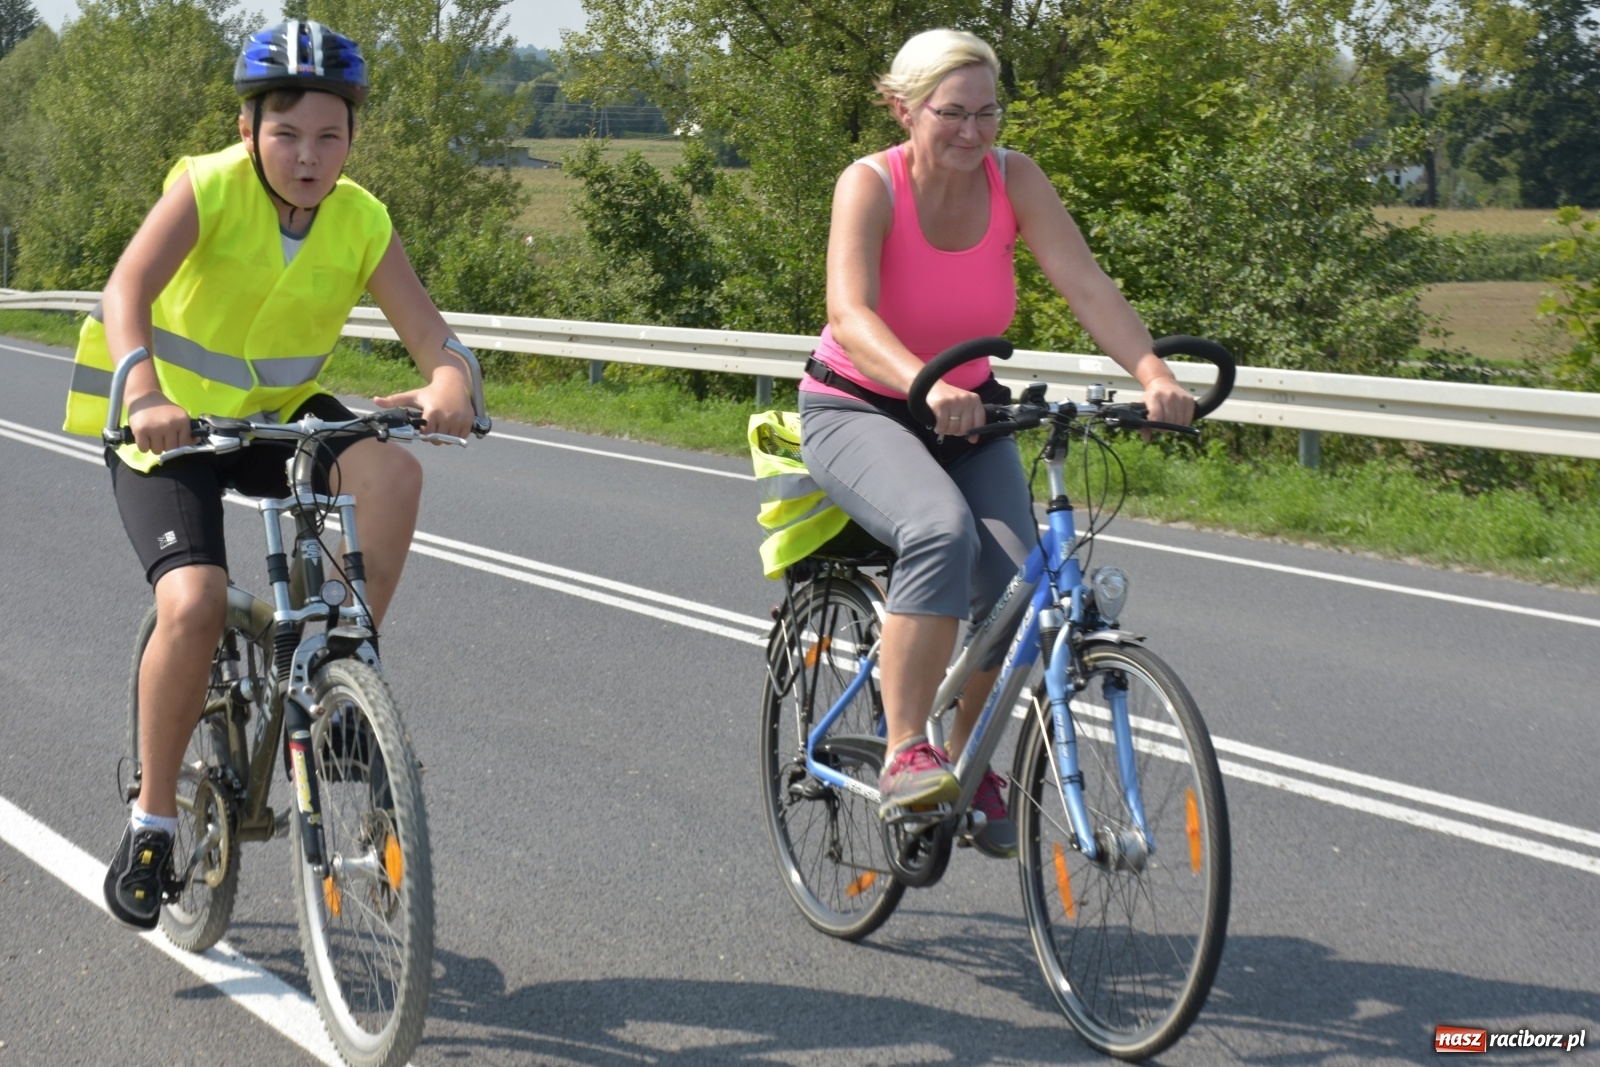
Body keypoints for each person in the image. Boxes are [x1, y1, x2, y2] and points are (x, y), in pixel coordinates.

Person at [61, 20, 476, 930]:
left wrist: (450, 378)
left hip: (272, 419)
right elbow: (125, 289)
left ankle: (336, 664)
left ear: (353, 140)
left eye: (330, 136)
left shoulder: (361, 217)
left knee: (395, 475)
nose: (308, 156)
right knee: (195, 603)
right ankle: (154, 823)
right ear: (249, 129)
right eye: (287, 134)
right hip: (169, 428)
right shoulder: (206, 187)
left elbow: (432, 336)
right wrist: (142, 393)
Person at [800, 28, 1196, 858]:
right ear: (903, 107)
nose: (975, 133)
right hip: (860, 407)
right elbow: (851, 314)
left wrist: (1152, 371)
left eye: (989, 112)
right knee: (938, 530)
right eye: (953, 113)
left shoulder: (1014, 179)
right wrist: (927, 382)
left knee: (1024, 587)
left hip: (971, 410)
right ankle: (909, 747)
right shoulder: (868, 184)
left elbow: (1084, 281)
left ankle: (967, 757)